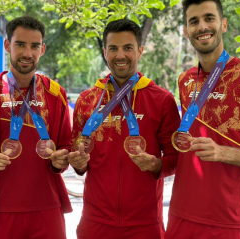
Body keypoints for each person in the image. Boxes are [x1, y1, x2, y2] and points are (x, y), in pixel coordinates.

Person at [165, 1, 240, 238]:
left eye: (209, 18)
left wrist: (223, 153)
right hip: (180, 214)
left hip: (228, 222)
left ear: (223, 24)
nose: (202, 26)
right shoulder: (185, 80)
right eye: (193, 21)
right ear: (186, 31)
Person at [69, 19, 181, 239]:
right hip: (95, 222)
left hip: (145, 224)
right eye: (113, 48)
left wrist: (158, 164)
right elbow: (78, 156)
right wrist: (78, 164)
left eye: (128, 48)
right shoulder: (87, 100)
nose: (120, 55)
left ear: (140, 51)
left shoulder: (162, 99)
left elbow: (177, 158)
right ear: (105, 52)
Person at [0, 16, 72, 239]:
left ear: (42, 49)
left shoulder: (55, 93)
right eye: (20, 44)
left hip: (47, 210)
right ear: (7, 46)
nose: (27, 53)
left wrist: (61, 159)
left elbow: (66, 145)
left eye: (34, 46)